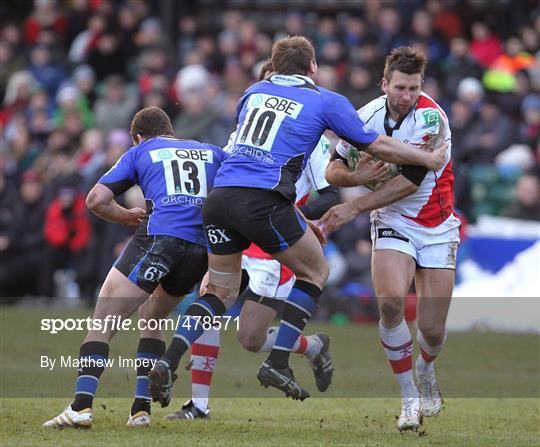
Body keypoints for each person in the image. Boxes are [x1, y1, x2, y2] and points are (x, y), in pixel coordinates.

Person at [148, 36, 448, 405]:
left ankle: (168, 361)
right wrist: (428, 160)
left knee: (217, 292)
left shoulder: (251, 93)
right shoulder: (325, 100)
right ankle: (276, 362)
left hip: (221, 198)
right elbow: (376, 145)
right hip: (264, 202)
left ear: (273, 69)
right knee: (316, 271)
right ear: (313, 67)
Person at [42, 106, 227, 428]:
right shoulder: (210, 152)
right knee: (152, 316)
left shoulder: (142, 150)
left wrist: (125, 216)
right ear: (170, 130)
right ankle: (141, 411)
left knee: (103, 319)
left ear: (137, 136)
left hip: (160, 238)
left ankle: (81, 407)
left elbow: (95, 199)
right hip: (199, 250)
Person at [321, 46, 460, 432]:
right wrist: (357, 176)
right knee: (390, 302)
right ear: (385, 84)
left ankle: (425, 369)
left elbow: (409, 180)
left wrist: (353, 206)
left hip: (436, 222)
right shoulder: (364, 116)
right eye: (400, 87)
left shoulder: (432, 117)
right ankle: (408, 398)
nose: (407, 96)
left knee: (431, 329)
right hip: (392, 219)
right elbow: (333, 170)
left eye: (414, 87)